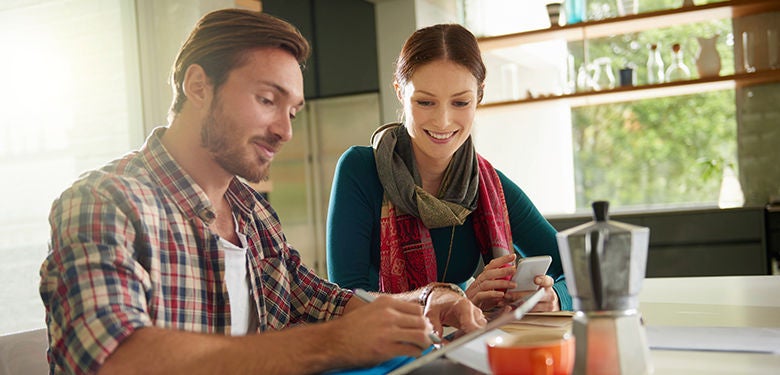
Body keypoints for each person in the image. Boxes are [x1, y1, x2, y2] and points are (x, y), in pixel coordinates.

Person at [39, 10, 486, 375]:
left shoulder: (252, 214)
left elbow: (325, 302)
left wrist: (429, 300)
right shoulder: (105, 203)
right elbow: (115, 358)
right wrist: (328, 345)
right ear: (198, 86)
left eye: (292, 111)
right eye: (268, 100)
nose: (285, 131)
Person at [326, 24, 573, 313]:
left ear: (479, 96)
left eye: (460, 102)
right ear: (400, 92)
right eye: (426, 102)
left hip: (465, 346)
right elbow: (346, 301)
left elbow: (575, 272)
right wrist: (456, 307)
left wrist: (553, 297)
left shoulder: (487, 184)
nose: (443, 121)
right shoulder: (360, 170)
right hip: (383, 353)